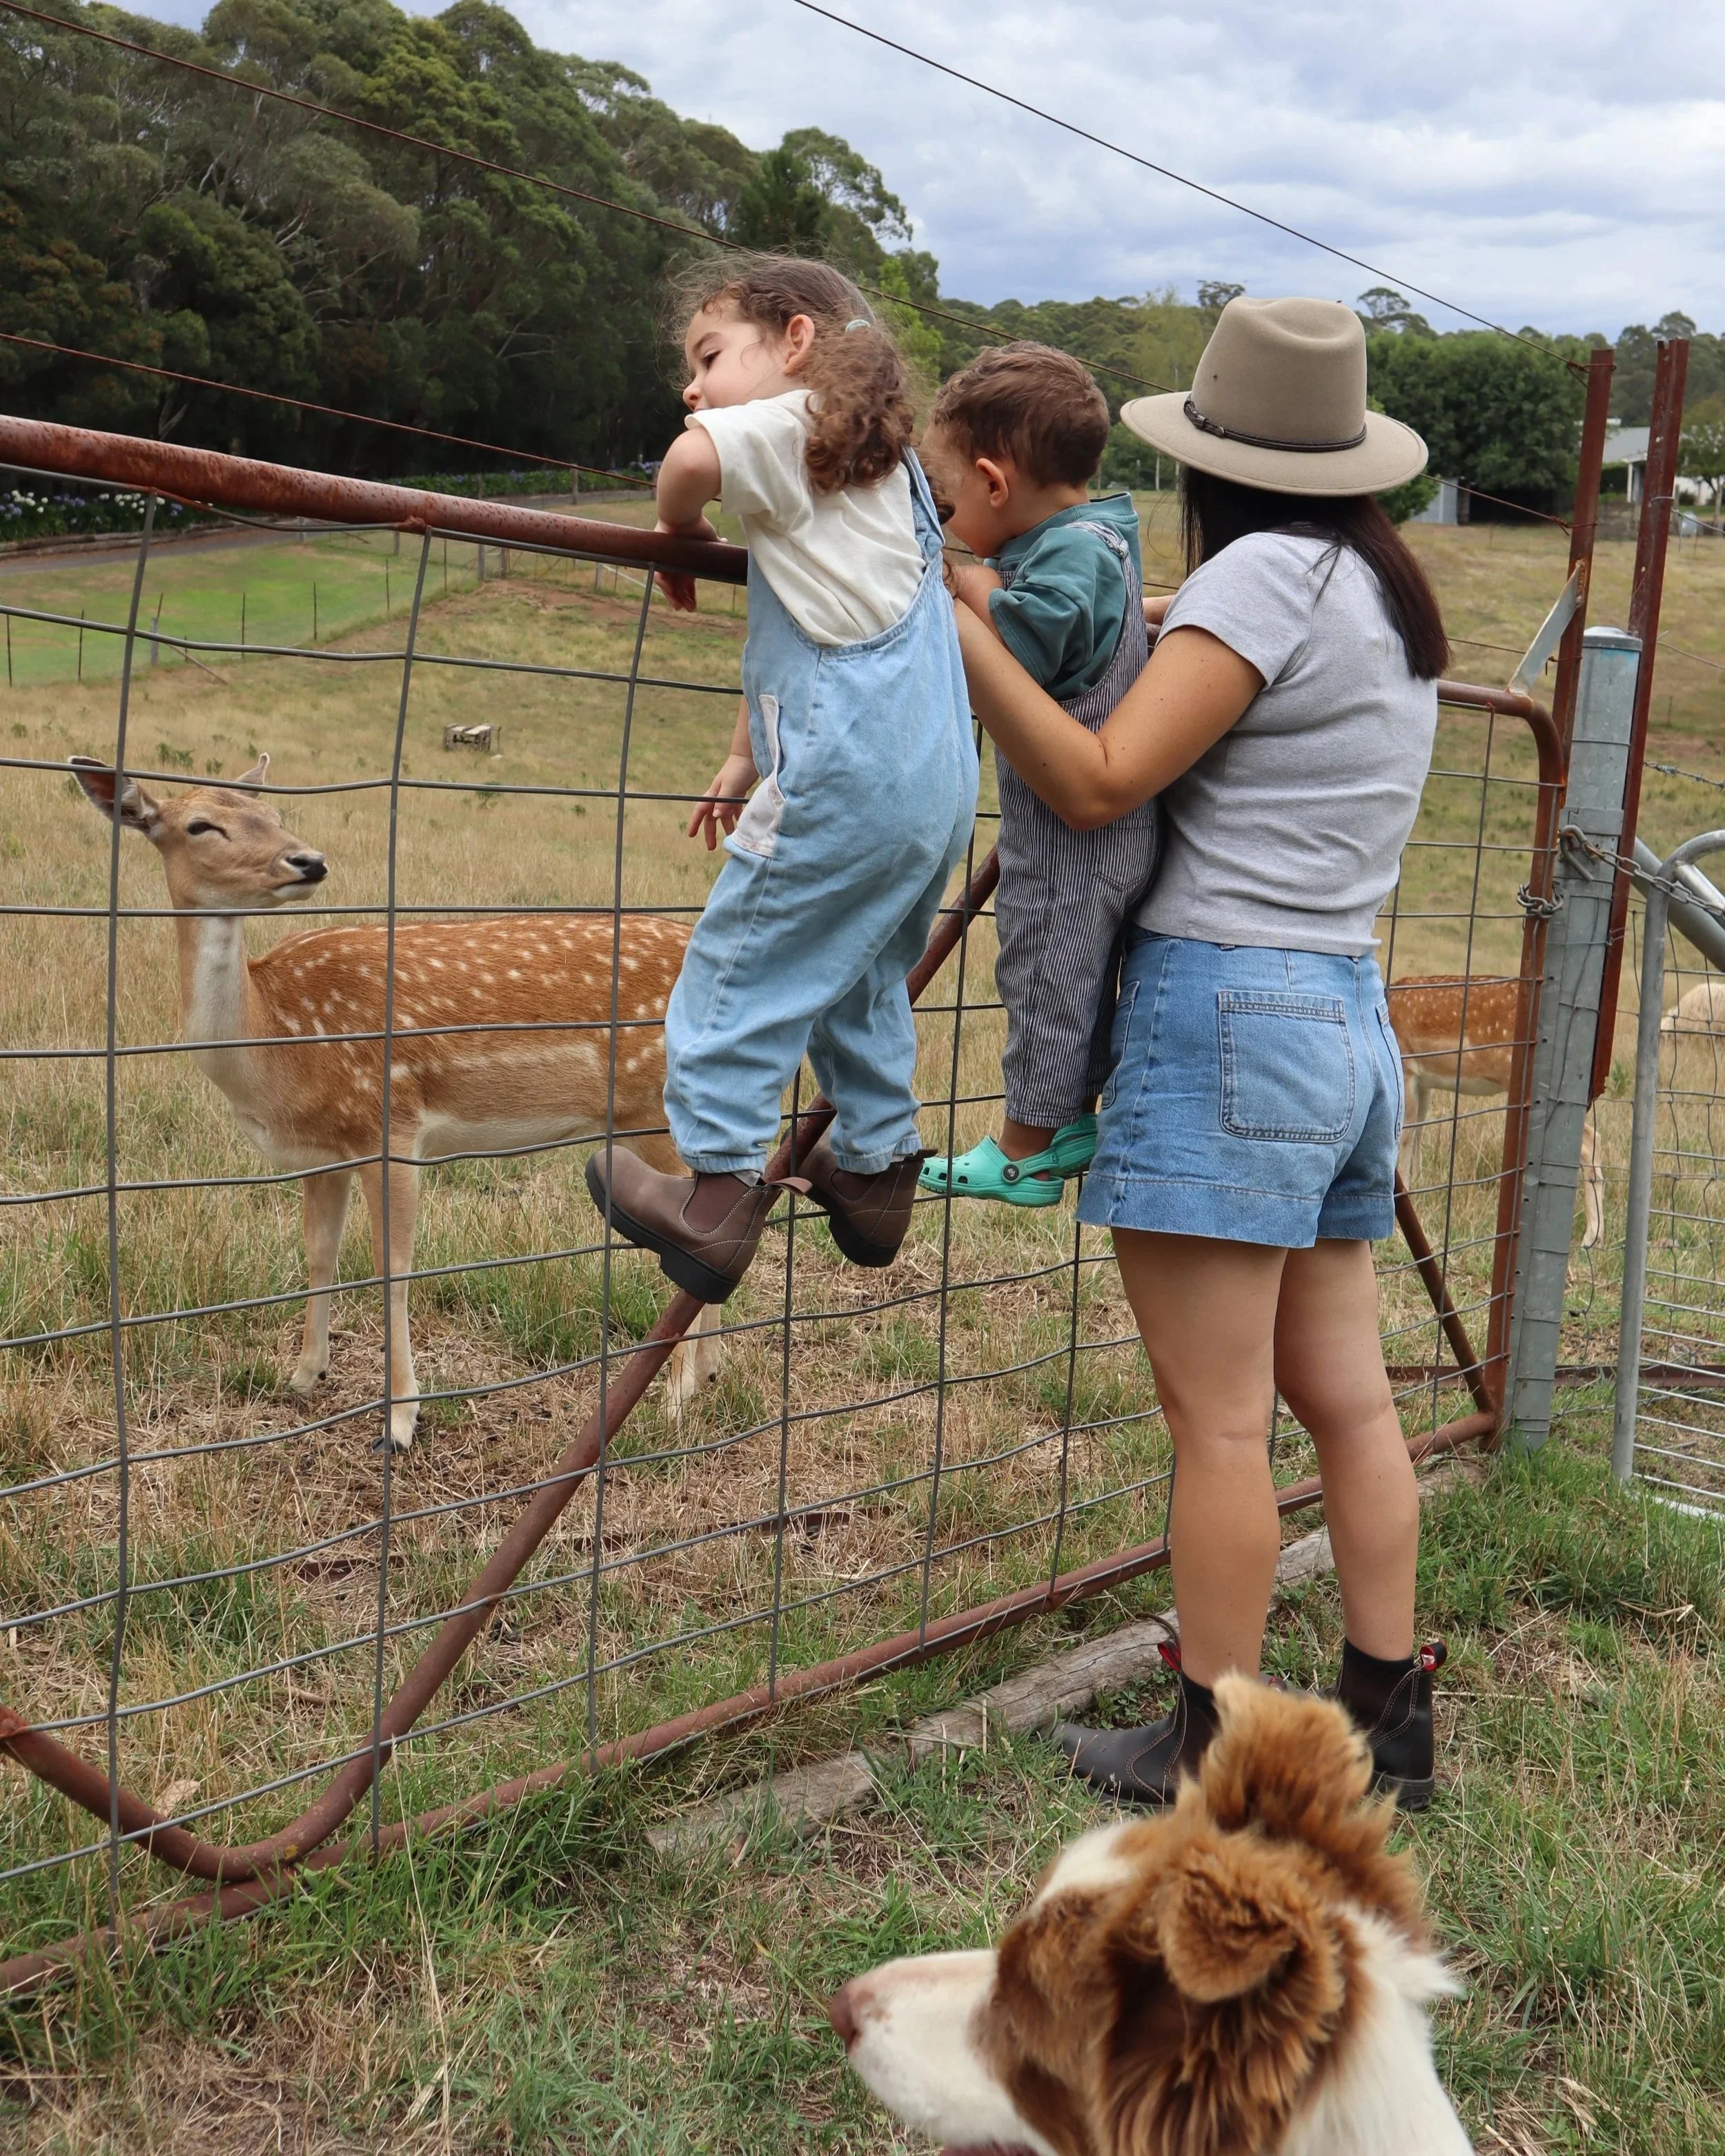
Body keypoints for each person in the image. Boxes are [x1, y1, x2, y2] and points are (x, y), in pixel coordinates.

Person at [948, 296, 1449, 1808]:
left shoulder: (1257, 576)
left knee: (1218, 1418)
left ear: (1210, 458)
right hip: (1340, 1016)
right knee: (1346, 1398)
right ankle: (1383, 1711)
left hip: (1225, 1012)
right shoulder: (1379, 589)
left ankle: (1208, 1741)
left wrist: (962, 628)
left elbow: (1098, 780)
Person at [586, 256, 978, 1305]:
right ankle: (877, 1168)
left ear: (796, 342)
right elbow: (823, 637)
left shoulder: (785, 424)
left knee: (739, 970)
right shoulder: (885, 477)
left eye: (709, 355)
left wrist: (677, 530)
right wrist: (742, 755)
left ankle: (713, 1198)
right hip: (931, 793)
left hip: (847, 786)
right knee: (854, 973)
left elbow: (687, 459)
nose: (694, 383)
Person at [916, 344, 1159, 1207]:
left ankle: (1024, 1147)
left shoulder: (1068, 557)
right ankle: (1068, 1120)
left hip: (1072, 835)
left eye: (944, 499)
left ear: (991, 482)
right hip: (1104, 829)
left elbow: (1029, 640)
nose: (943, 522)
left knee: (1043, 971)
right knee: (1076, 977)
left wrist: (971, 588)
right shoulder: (1102, 539)